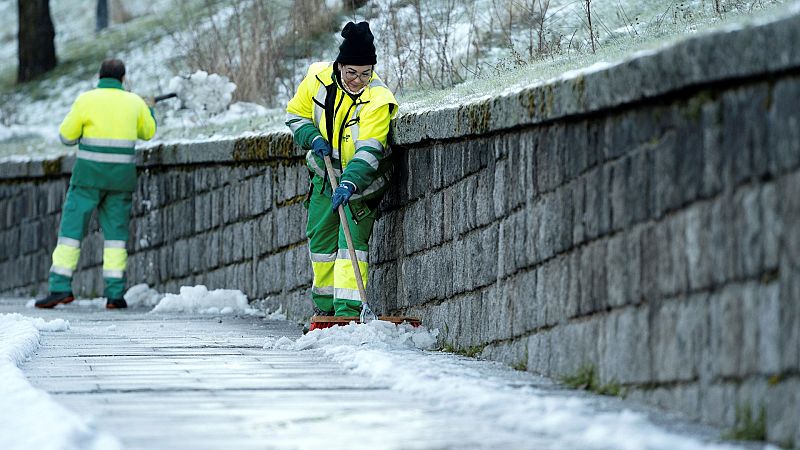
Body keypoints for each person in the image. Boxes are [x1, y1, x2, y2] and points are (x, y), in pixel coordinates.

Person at [285, 21, 398, 317]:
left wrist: (350, 184)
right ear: (340, 66)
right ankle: (325, 314)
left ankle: (348, 311)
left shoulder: (379, 99)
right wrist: (311, 136)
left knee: (350, 246)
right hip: (324, 173)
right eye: (352, 73)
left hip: (362, 182)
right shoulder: (317, 79)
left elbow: (369, 150)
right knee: (321, 241)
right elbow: (295, 115)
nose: (358, 80)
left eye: (365, 74)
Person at [35, 59, 157, 309]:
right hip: (120, 181)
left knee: (70, 233)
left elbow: (66, 137)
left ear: (99, 76)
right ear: (123, 78)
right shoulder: (134, 102)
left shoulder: (86, 100)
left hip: (87, 179)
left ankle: (60, 288)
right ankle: (114, 295)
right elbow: (148, 132)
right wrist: (149, 109)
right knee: (115, 238)